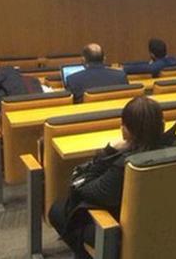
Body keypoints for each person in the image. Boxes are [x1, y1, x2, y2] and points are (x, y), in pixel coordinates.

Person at [48, 96, 165, 259]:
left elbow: (83, 188)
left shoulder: (126, 166)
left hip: (127, 235)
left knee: (58, 210)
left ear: (126, 130)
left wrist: (107, 152)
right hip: (167, 221)